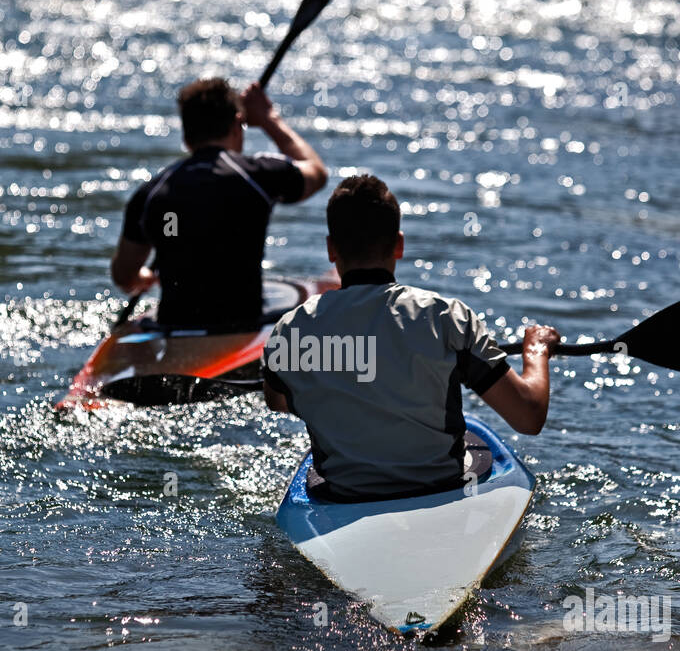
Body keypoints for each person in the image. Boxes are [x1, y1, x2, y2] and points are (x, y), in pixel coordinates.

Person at [262, 174, 559, 501]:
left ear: (331, 249)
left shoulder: (291, 329)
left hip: (345, 494)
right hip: (440, 487)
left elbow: (279, 401)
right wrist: (536, 349)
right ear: (399, 244)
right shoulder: (446, 317)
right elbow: (528, 416)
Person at [110, 78, 328, 329]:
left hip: (174, 325)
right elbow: (316, 172)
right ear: (237, 125)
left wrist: (144, 278)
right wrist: (269, 119)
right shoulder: (259, 176)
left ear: (186, 135)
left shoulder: (151, 193)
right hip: (242, 321)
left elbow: (124, 276)